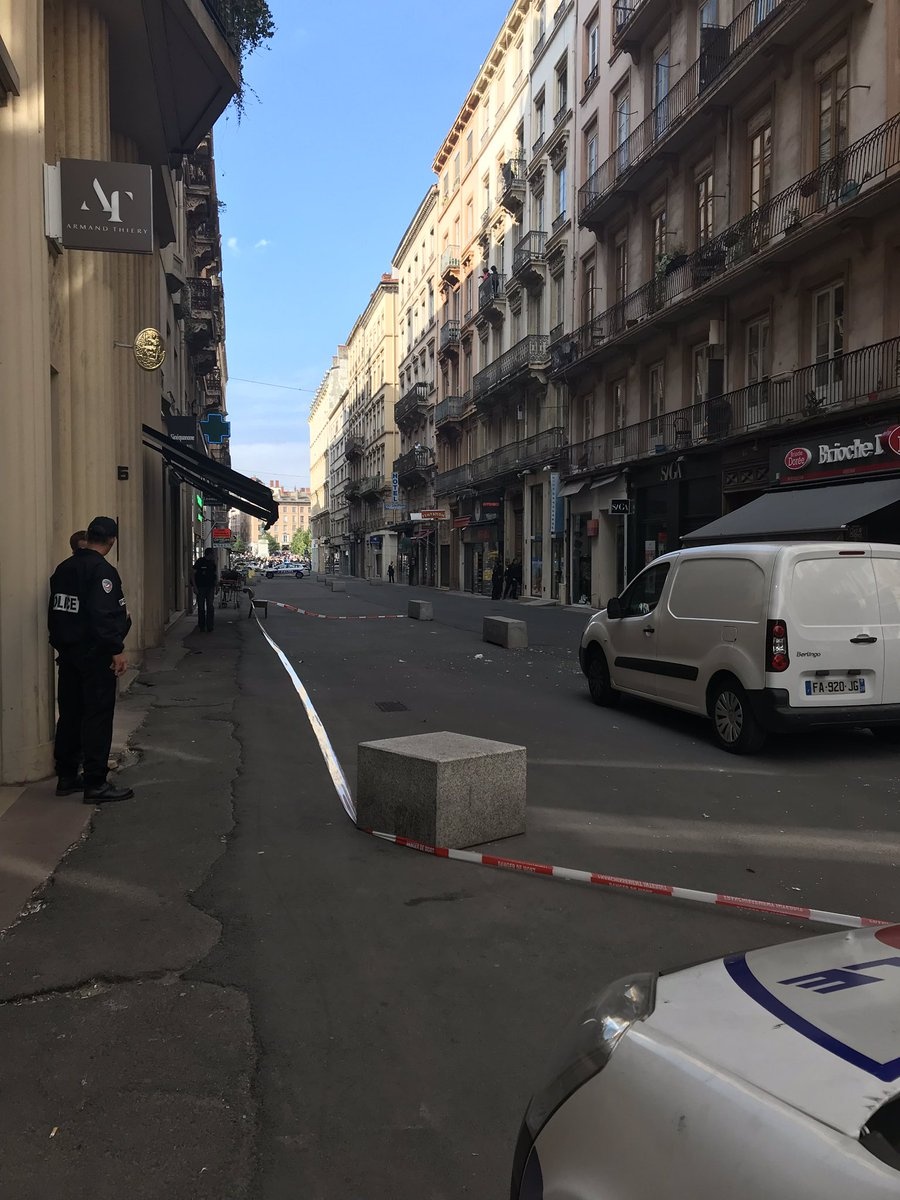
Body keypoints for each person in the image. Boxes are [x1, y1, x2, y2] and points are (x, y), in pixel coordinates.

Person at [48, 516, 133, 803]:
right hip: (94, 656)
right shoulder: (102, 571)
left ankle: (67, 774)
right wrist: (116, 648)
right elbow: (103, 615)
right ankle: (96, 782)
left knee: (70, 715)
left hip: (68, 653)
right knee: (97, 716)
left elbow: (57, 611)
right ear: (111, 540)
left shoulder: (64, 569)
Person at [193, 547, 218, 632]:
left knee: (210, 607)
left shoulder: (212, 563)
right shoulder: (199, 562)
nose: (214, 555)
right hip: (201, 588)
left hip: (210, 587)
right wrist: (195, 587)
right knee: (201, 607)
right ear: (209, 554)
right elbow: (192, 574)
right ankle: (201, 626)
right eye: (213, 554)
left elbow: (215, 575)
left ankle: (210, 626)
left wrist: (216, 585)